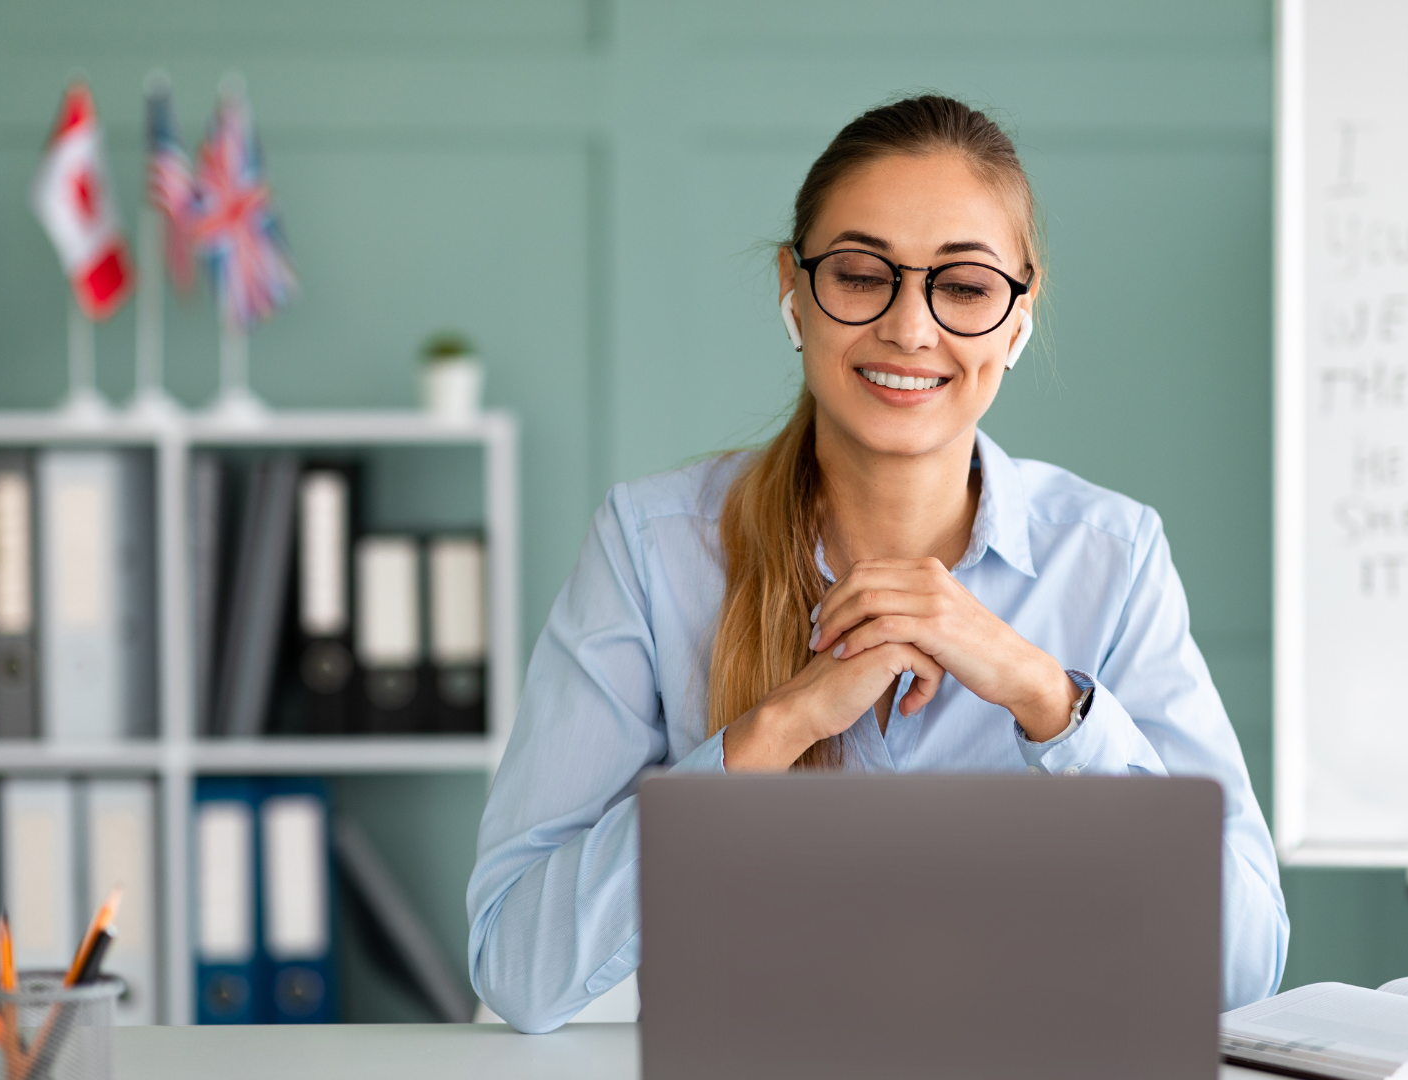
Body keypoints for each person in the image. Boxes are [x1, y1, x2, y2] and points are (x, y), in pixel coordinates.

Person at [467, 94, 1288, 1033]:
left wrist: (1045, 698)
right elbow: (516, 967)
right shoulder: (652, 549)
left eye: (966, 287)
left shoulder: (1111, 558)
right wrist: (774, 731)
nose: (909, 328)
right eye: (861, 275)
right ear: (793, 287)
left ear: (1018, 319)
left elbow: (1245, 964)